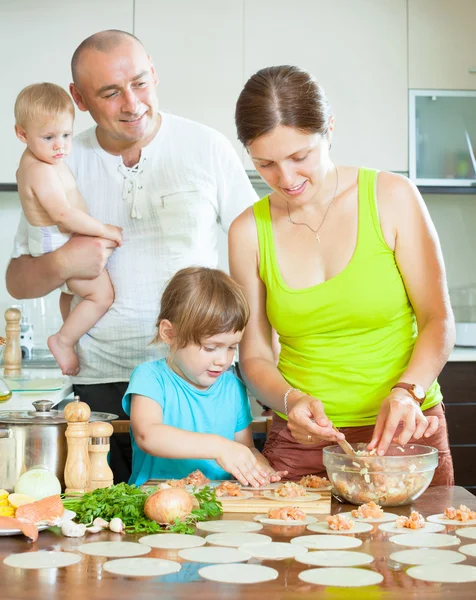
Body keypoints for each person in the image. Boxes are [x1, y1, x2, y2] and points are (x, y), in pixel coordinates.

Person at [6, 30, 257, 483]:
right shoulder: (56, 158)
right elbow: (18, 280)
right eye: (110, 92)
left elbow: (257, 262)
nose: (132, 103)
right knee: (119, 521)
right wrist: (65, 262)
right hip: (100, 380)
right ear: (79, 99)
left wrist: (256, 364)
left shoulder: (208, 148)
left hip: (197, 381)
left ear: (155, 73)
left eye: (140, 83)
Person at [229, 65, 455, 485]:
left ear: (329, 129)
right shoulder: (247, 232)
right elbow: (255, 356)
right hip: (302, 441)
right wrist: (290, 400)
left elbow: (438, 320)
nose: (287, 179)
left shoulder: (392, 197)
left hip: (405, 432)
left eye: (300, 157)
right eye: (266, 164)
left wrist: (408, 392)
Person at [123, 267, 286, 487]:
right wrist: (220, 446)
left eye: (231, 347)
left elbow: (245, 447)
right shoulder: (150, 378)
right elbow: (148, 436)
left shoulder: (232, 387)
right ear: (170, 333)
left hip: (221, 506)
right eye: (210, 347)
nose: (223, 360)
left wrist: (257, 466)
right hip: (157, 502)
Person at [14, 82, 123, 376]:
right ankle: (63, 340)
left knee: (69, 295)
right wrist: (103, 230)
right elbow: (62, 215)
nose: (60, 145)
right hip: (56, 241)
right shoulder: (38, 168)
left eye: (66, 134)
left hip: (57, 240)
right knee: (101, 295)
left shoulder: (46, 158)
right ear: (22, 134)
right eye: (49, 137)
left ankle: (70, 337)